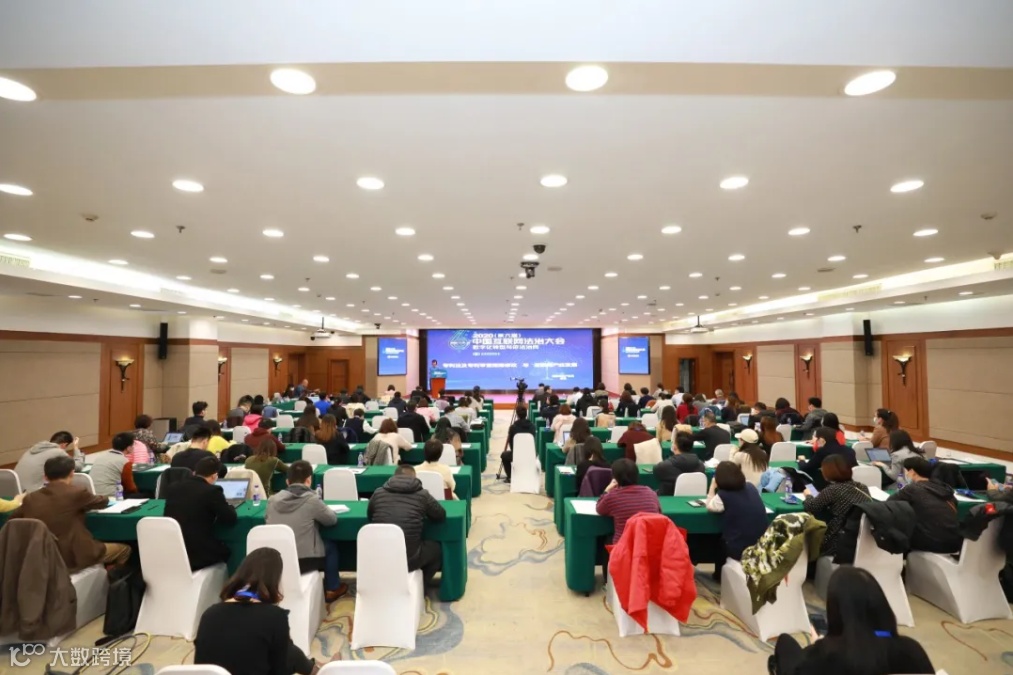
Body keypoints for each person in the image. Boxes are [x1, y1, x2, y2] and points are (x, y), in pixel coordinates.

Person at [771, 567, 934, 675]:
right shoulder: (912, 651)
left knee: (785, 643)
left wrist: (819, 645)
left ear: (836, 611)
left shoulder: (825, 656)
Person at [194, 548, 318, 675]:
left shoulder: (209, 614)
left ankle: (313, 668)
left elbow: (200, 667)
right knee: (289, 652)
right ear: (275, 580)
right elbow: (280, 670)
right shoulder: (275, 617)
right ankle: (317, 670)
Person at [12, 455, 131, 571]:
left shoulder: (30, 498)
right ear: (72, 473)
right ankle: (111, 580)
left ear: (45, 477)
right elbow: (102, 501)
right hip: (72, 556)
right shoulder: (76, 493)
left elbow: (13, 520)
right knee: (125, 550)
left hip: (40, 557)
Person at [267, 460, 347, 601]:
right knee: (330, 546)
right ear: (309, 480)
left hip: (276, 559)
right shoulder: (311, 500)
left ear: (287, 482)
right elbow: (331, 520)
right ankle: (332, 588)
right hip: (305, 561)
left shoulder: (272, 501)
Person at [367, 464, 447, 584]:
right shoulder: (423, 495)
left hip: (380, 556)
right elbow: (440, 515)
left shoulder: (378, 493)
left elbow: (370, 516)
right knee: (437, 550)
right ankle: (420, 585)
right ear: (415, 478)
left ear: (394, 477)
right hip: (409, 559)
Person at [164, 456, 237, 570]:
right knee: (228, 550)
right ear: (214, 476)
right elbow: (230, 519)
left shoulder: (174, 487)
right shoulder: (212, 491)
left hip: (173, 550)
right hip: (198, 553)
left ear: (194, 472)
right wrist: (230, 507)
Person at [705, 461, 768, 580]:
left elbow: (710, 506)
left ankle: (719, 577)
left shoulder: (723, 495)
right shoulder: (751, 486)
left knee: (717, 542)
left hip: (740, 547)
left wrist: (712, 486)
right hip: (762, 544)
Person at [887, 456, 962, 553]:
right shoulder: (944, 489)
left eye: (905, 471)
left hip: (930, 543)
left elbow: (889, 503)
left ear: (912, 472)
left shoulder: (912, 489)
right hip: (954, 543)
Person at [801, 455, 872, 557]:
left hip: (836, 541)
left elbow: (811, 507)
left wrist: (808, 495)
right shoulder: (862, 487)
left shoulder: (832, 490)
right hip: (860, 539)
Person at [595, 458, 661, 544]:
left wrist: (606, 490)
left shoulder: (612, 496)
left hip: (623, 547)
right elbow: (659, 512)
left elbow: (599, 509)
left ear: (615, 478)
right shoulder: (650, 492)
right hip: (649, 545)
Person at [15, 430, 84, 492]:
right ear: (64, 445)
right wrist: (76, 447)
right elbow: (78, 466)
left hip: (15, 491)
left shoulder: (32, 449)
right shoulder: (58, 451)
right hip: (31, 494)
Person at [90, 431, 138, 497]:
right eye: (133, 445)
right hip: (110, 495)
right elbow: (130, 487)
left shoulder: (100, 457)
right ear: (128, 448)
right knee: (145, 494)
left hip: (92, 494)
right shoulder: (125, 462)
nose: (134, 447)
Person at [503, 406, 537, 483]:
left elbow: (511, 443)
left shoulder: (512, 427)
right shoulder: (533, 426)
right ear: (526, 414)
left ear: (517, 415)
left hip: (516, 453)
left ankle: (510, 477)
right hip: (530, 453)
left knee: (504, 455)